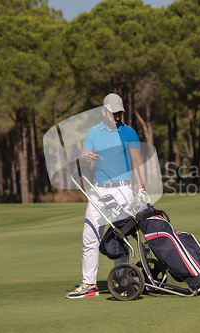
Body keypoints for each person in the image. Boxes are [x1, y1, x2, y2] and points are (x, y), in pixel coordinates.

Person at [66, 93, 149, 299]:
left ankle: (122, 282)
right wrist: (85, 157)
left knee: (119, 238)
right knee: (89, 236)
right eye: (113, 113)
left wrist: (142, 189)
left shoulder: (129, 132)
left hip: (123, 190)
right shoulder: (93, 133)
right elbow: (85, 161)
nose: (117, 117)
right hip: (98, 190)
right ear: (103, 112)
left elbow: (138, 162)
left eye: (120, 113)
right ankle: (89, 285)